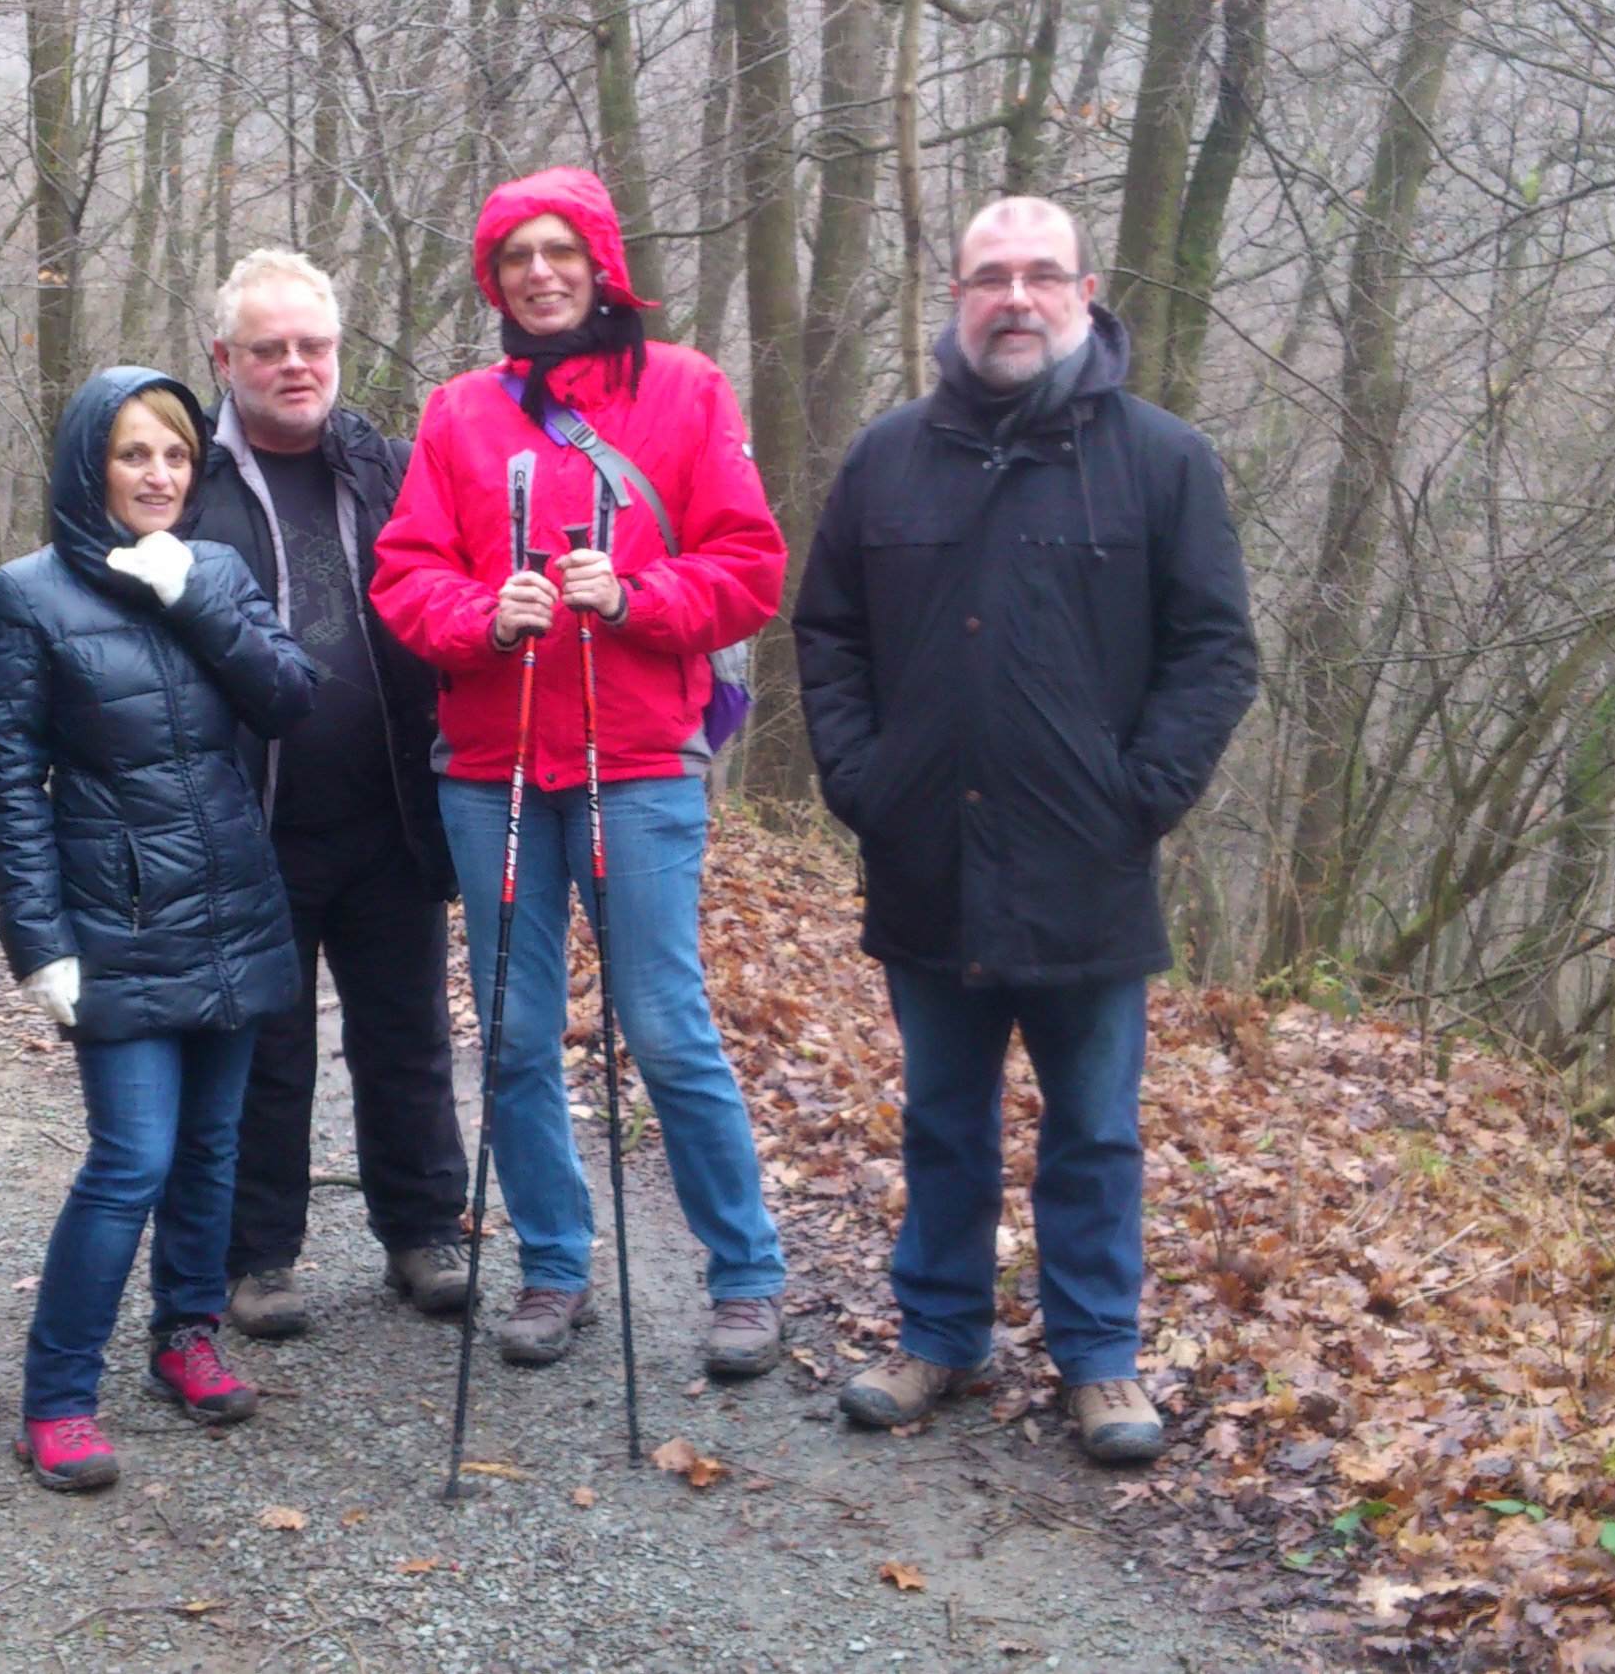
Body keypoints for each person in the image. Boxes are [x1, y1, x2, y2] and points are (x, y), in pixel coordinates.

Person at [791, 196, 1259, 1464]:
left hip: (1087, 868)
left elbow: (1215, 652)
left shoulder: (1162, 459)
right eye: (990, 276)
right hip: (927, 857)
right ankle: (938, 1337)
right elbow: (828, 633)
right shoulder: (889, 456)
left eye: (1041, 275)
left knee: (1094, 1129)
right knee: (943, 1119)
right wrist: (867, 782)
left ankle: (1099, 1360)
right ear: (956, 297)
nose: (1015, 298)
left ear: (1085, 293)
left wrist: (1137, 797)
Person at [370, 166, 792, 1377]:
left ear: (602, 263)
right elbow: (405, 574)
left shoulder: (686, 389)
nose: (540, 273)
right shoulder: (459, 413)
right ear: (493, 279)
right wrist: (482, 617)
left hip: (639, 762)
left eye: (560, 250)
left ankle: (746, 1278)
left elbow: (749, 565)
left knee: (664, 1027)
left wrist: (640, 595)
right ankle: (553, 1268)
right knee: (513, 1034)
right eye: (516, 256)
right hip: (491, 768)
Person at [0, 367, 318, 1492]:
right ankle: (59, 1395)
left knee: (213, 1147)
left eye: (175, 454)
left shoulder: (213, 570)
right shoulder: (24, 598)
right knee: (132, 1160)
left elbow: (288, 697)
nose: (158, 475)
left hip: (232, 904)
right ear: (92, 466)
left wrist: (192, 596)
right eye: (133, 454)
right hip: (114, 919)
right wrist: (39, 942)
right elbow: (10, 783)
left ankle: (186, 1336)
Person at [177, 250, 471, 1339]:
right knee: (265, 1046)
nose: (296, 365)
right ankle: (257, 1256)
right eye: (270, 349)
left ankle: (424, 1231)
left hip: (392, 810)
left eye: (314, 345)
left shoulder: (388, 468)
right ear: (225, 359)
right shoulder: (187, 482)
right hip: (248, 819)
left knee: (408, 1037)